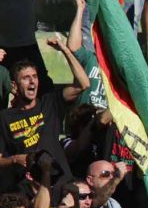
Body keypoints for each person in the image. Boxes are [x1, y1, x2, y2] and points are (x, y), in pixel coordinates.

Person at [0, 40, 90, 184]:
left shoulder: (50, 103)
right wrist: (14, 159)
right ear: (14, 85)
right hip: (29, 190)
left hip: (60, 184)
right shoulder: (5, 118)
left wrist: (65, 50)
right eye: (26, 78)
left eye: (35, 77)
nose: (32, 82)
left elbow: (83, 84)